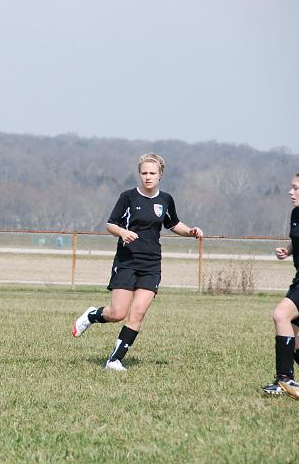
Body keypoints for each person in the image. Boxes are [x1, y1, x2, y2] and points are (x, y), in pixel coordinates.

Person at [72, 154, 203, 371]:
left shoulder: (166, 200)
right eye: (144, 173)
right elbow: (110, 224)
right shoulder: (128, 197)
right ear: (139, 174)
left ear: (160, 175)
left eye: (152, 173)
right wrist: (123, 232)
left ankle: (114, 360)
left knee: (138, 312)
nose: (148, 177)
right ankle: (93, 315)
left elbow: (173, 223)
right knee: (117, 313)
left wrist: (190, 232)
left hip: (151, 264)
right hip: (127, 261)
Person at [264, 171, 299, 400]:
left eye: (296, 188)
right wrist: (288, 250)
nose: (291, 192)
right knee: (292, 333)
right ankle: (285, 380)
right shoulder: (297, 214)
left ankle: (284, 379)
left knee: (281, 315)